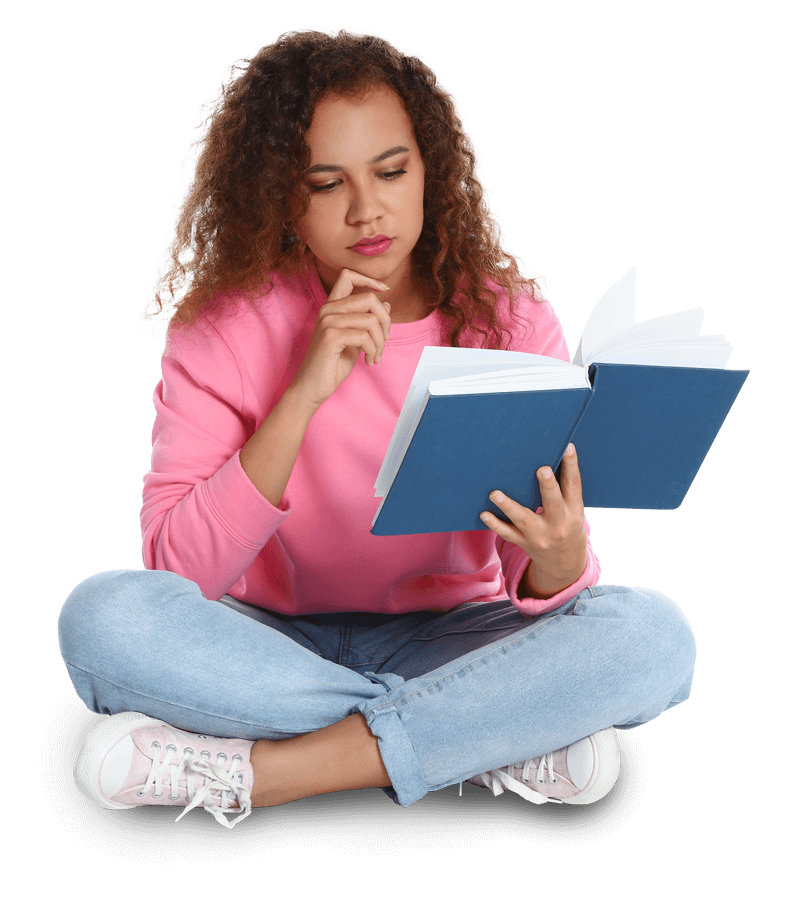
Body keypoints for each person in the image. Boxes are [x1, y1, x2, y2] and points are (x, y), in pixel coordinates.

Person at [57, 23, 696, 829]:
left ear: (431, 169)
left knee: (655, 636)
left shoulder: (509, 319)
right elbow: (175, 574)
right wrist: (302, 392)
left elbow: (523, 571)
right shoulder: (225, 322)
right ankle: (481, 737)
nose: (368, 210)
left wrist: (559, 560)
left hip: (453, 636)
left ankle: (273, 772)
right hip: (262, 641)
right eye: (326, 184)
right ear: (282, 198)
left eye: (391, 171)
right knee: (99, 617)